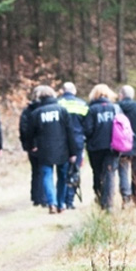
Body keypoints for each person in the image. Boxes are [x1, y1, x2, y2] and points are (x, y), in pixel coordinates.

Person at [22, 85, 77, 214]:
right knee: (62, 177)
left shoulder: (36, 113)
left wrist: (31, 147)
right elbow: (70, 132)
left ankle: (51, 202)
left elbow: (29, 133)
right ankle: (61, 203)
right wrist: (73, 152)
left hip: (44, 150)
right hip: (62, 149)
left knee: (47, 176)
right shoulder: (62, 111)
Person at [83, 84, 120, 211]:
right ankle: (108, 203)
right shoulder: (115, 108)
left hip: (95, 148)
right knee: (109, 173)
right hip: (112, 147)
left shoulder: (91, 109)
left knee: (97, 173)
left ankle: (99, 197)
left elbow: (87, 130)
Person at [57, 82, 87, 210]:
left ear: (62, 91)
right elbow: (87, 125)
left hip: (61, 142)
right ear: (74, 91)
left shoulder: (57, 104)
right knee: (74, 171)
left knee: (62, 172)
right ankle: (70, 201)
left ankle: (61, 200)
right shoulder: (82, 104)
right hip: (78, 141)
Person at [19, 88, 45, 207]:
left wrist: (28, 145)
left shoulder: (27, 110)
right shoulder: (45, 109)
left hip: (32, 146)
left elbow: (23, 129)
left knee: (36, 171)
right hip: (44, 145)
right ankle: (42, 197)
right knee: (44, 171)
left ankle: (36, 197)